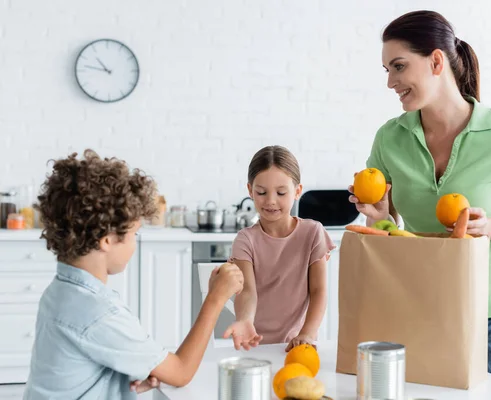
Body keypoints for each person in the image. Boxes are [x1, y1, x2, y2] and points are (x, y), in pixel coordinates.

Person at [349, 11, 491, 387]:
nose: (391, 81)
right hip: (423, 307)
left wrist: (486, 225)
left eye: (398, 66)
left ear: (436, 61)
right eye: (386, 70)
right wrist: (376, 217)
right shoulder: (389, 138)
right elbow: (389, 231)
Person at [24, 150, 244, 399]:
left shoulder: (60, 291)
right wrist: (215, 298)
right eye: (133, 234)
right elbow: (181, 372)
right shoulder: (99, 313)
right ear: (107, 241)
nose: (134, 244)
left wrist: (121, 376)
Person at [224, 145, 336, 352]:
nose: (271, 201)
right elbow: (247, 291)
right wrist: (244, 320)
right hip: (256, 345)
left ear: (297, 191)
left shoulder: (312, 232)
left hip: (298, 345)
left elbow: (319, 291)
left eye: (281, 192)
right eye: (261, 192)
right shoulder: (245, 239)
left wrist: (307, 334)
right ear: (250, 191)